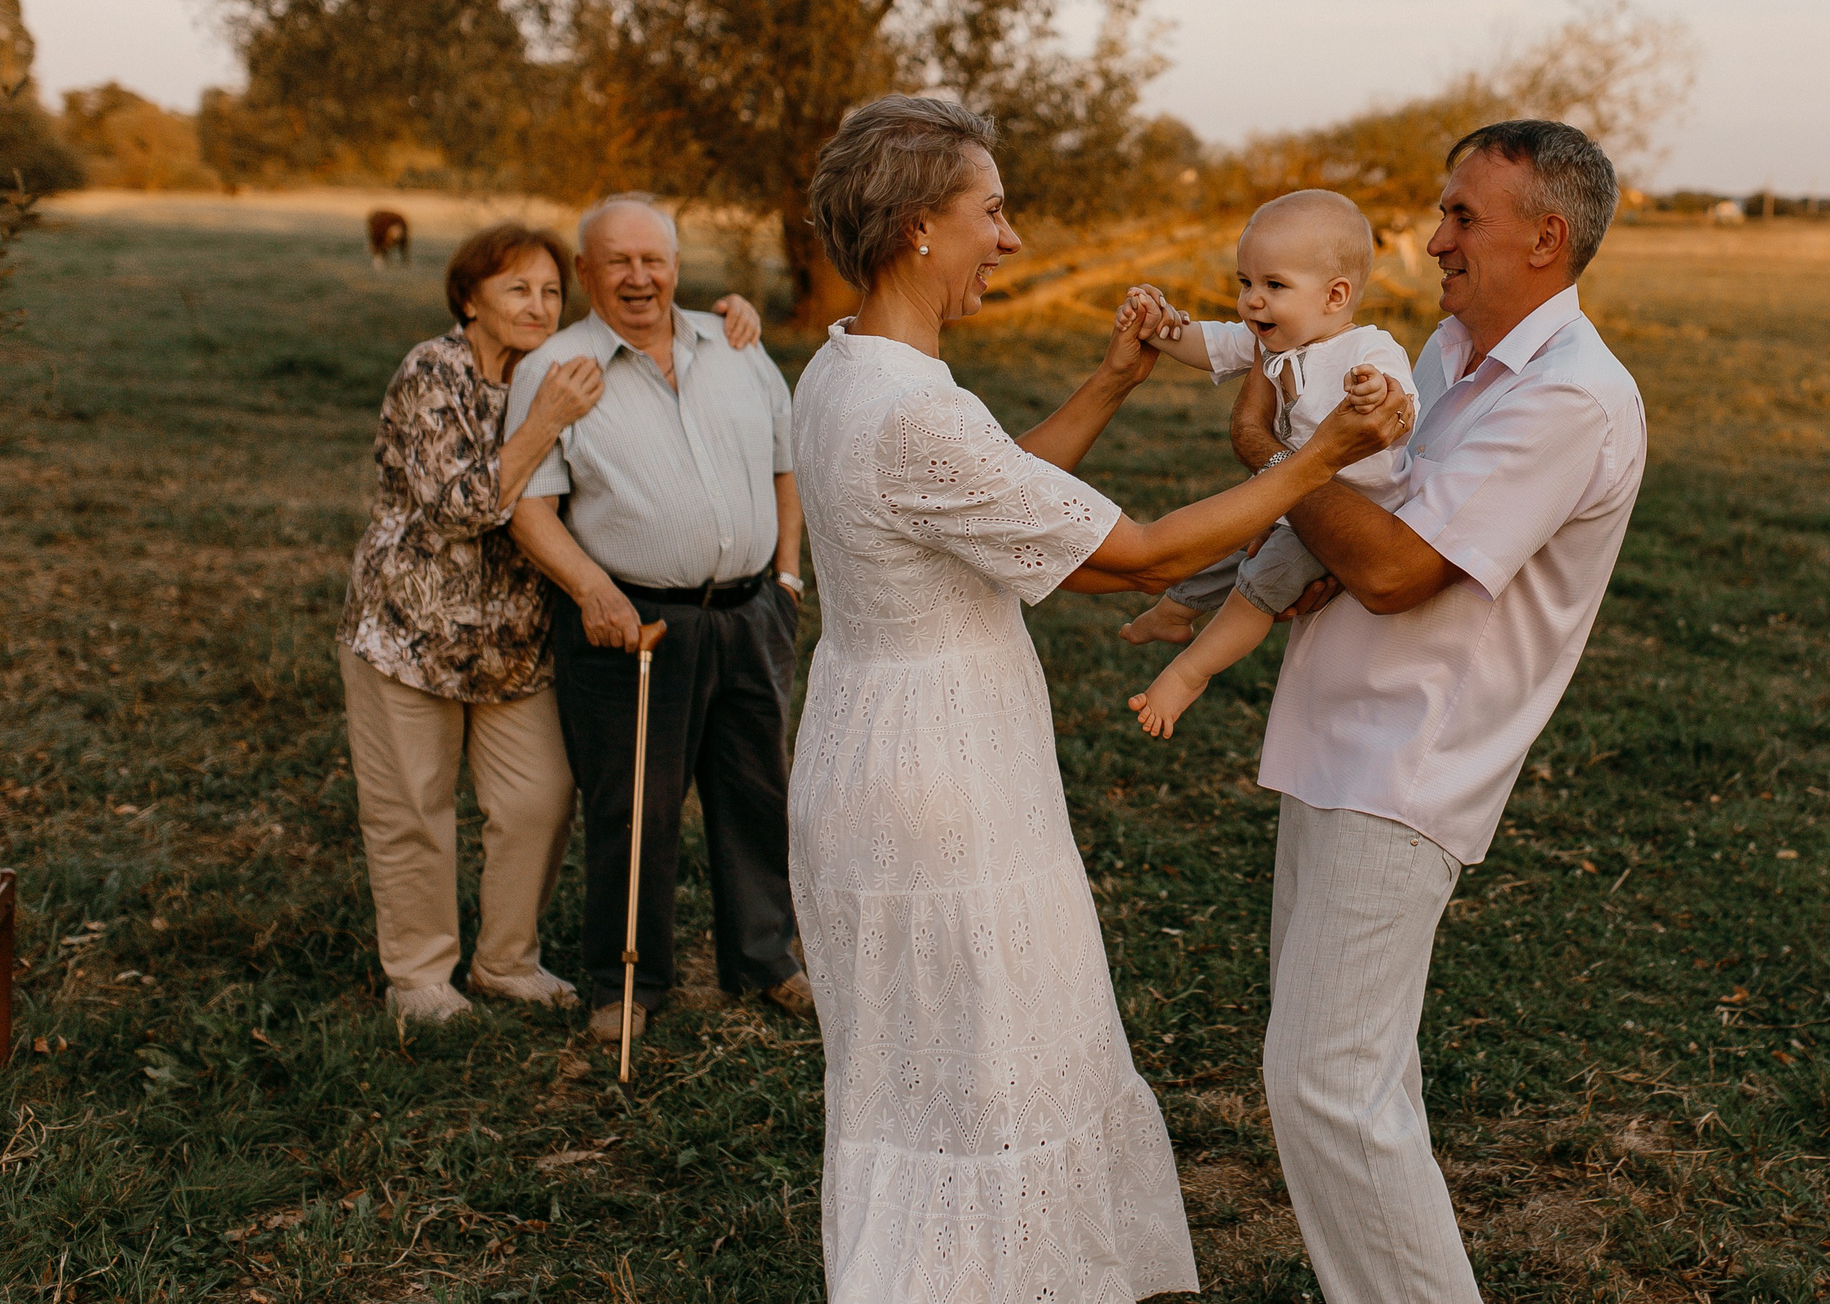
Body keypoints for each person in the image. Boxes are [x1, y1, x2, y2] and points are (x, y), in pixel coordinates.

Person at [784, 95, 1411, 1304]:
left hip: (875, 744)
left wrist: (1114, 380)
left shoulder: (842, 367)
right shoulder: (912, 409)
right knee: (990, 1059)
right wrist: (1315, 461)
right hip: (940, 782)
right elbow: (1139, 556)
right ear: (920, 227)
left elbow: (985, 492)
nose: (1009, 241)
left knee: (932, 1065)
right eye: (994, 211)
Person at [1229, 120, 1648, 1304]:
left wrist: (1277, 454)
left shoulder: (1573, 400)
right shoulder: (1448, 355)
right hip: (1335, 738)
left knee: (1325, 1084)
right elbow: (1366, 518)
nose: (1432, 240)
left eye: (1462, 216)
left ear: (1546, 236)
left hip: (1412, 767)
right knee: (1355, 1078)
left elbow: (1399, 569)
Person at [337, 221, 762, 1026]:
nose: (537, 305)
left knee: (539, 796)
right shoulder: (435, 369)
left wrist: (730, 314)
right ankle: (421, 975)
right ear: (470, 300)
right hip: (410, 632)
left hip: (516, 639)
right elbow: (457, 507)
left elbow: (649, 338)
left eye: (548, 291)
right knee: (414, 806)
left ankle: (507, 961)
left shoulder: (554, 366)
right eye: (514, 289)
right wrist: (543, 422)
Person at [505, 193, 809, 1041]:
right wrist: (594, 591)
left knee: (757, 792)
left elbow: (787, 465)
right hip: (630, 624)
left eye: (655, 259)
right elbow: (529, 510)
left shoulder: (736, 345)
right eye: (618, 262)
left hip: (751, 611)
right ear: (585, 272)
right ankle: (626, 983)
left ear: (676, 265)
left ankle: (766, 957)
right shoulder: (556, 369)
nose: (640, 277)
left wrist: (787, 574)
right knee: (632, 805)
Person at [1117, 189, 1414, 740]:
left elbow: (1401, 404)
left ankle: (1189, 675)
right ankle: (1177, 609)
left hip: (1348, 510)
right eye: (1245, 283)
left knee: (1259, 583)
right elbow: (1203, 341)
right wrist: (1156, 324)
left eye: (1274, 286)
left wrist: (1375, 391)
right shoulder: (1269, 342)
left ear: (1335, 295)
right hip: (1289, 499)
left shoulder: (1367, 349)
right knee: (1229, 538)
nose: (1252, 301)